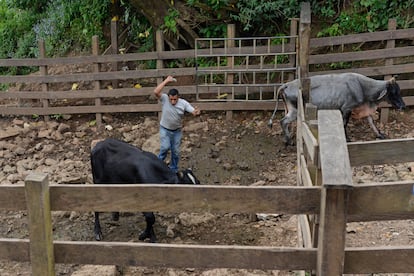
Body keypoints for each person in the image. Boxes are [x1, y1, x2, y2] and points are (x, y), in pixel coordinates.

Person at [153, 75, 201, 173]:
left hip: (176, 131)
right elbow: (156, 92)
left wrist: (196, 111)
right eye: (171, 99)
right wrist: (166, 81)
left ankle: (173, 168)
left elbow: (192, 111)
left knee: (176, 151)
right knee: (165, 147)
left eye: (175, 99)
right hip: (165, 129)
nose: (173, 101)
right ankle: (157, 165)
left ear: (178, 97)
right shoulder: (165, 99)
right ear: (169, 97)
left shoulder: (183, 103)